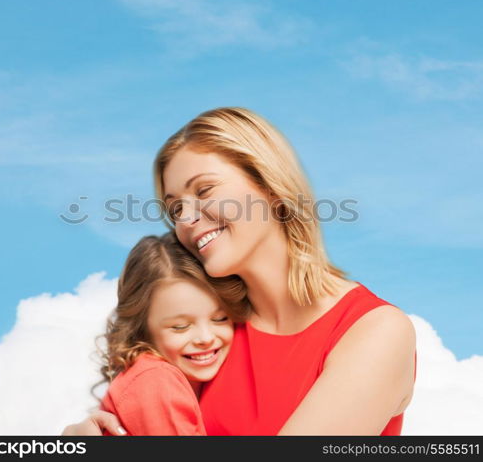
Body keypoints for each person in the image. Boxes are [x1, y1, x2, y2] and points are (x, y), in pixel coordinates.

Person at [63, 107, 417, 436]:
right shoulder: (213, 335)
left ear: (270, 186)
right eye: (175, 209)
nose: (185, 219)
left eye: (204, 190)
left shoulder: (375, 332)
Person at [95, 233, 246, 435]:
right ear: (142, 328)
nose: (206, 338)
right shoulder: (155, 381)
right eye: (180, 326)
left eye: (220, 319)